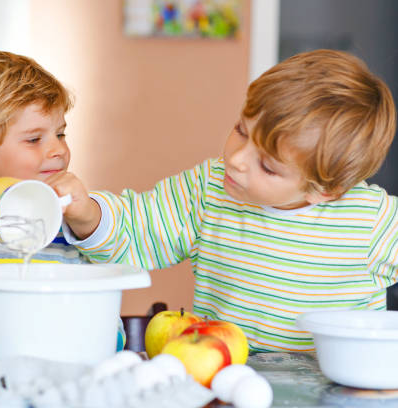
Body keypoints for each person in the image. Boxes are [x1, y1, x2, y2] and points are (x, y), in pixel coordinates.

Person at [53, 49, 398, 353]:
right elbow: (137, 228)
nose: (236, 159)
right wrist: (87, 215)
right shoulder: (209, 189)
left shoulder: (372, 221)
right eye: (241, 130)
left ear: (324, 191)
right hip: (224, 377)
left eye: (267, 165)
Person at [0, 49, 125, 351]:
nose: (58, 150)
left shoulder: (71, 232)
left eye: (60, 134)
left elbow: (113, 336)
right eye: (34, 139)